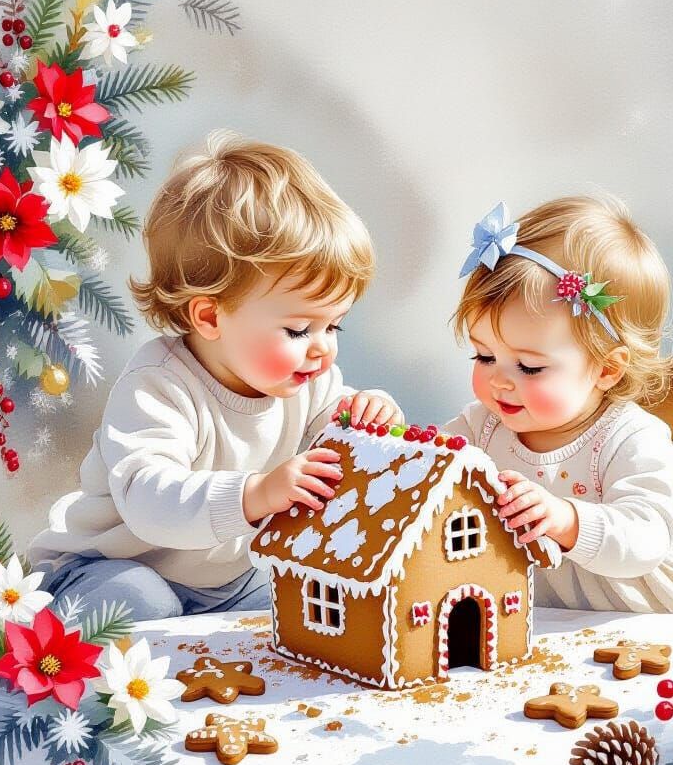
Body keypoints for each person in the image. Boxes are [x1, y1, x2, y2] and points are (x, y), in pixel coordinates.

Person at [28, 131, 402, 619]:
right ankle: (54, 632)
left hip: (226, 581)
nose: (322, 348)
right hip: (111, 568)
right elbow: (148, 500)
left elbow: (334, 448)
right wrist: (255, 493)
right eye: (298, 329)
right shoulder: (158, 386)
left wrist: (370, 417)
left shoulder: (309, 383)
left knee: (305, 607)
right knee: (141, 599)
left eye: (333, 325)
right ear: (209, 317)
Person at [443, 196, 673, 617]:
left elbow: (647, 535)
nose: (499, 380)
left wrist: (566, 519)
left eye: (529, 366)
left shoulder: (628, 436)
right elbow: (425, 470)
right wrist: (378, 418)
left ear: (606, 368)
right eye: (484, 357)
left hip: (653, 616)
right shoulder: (480, 429)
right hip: (544, 622)